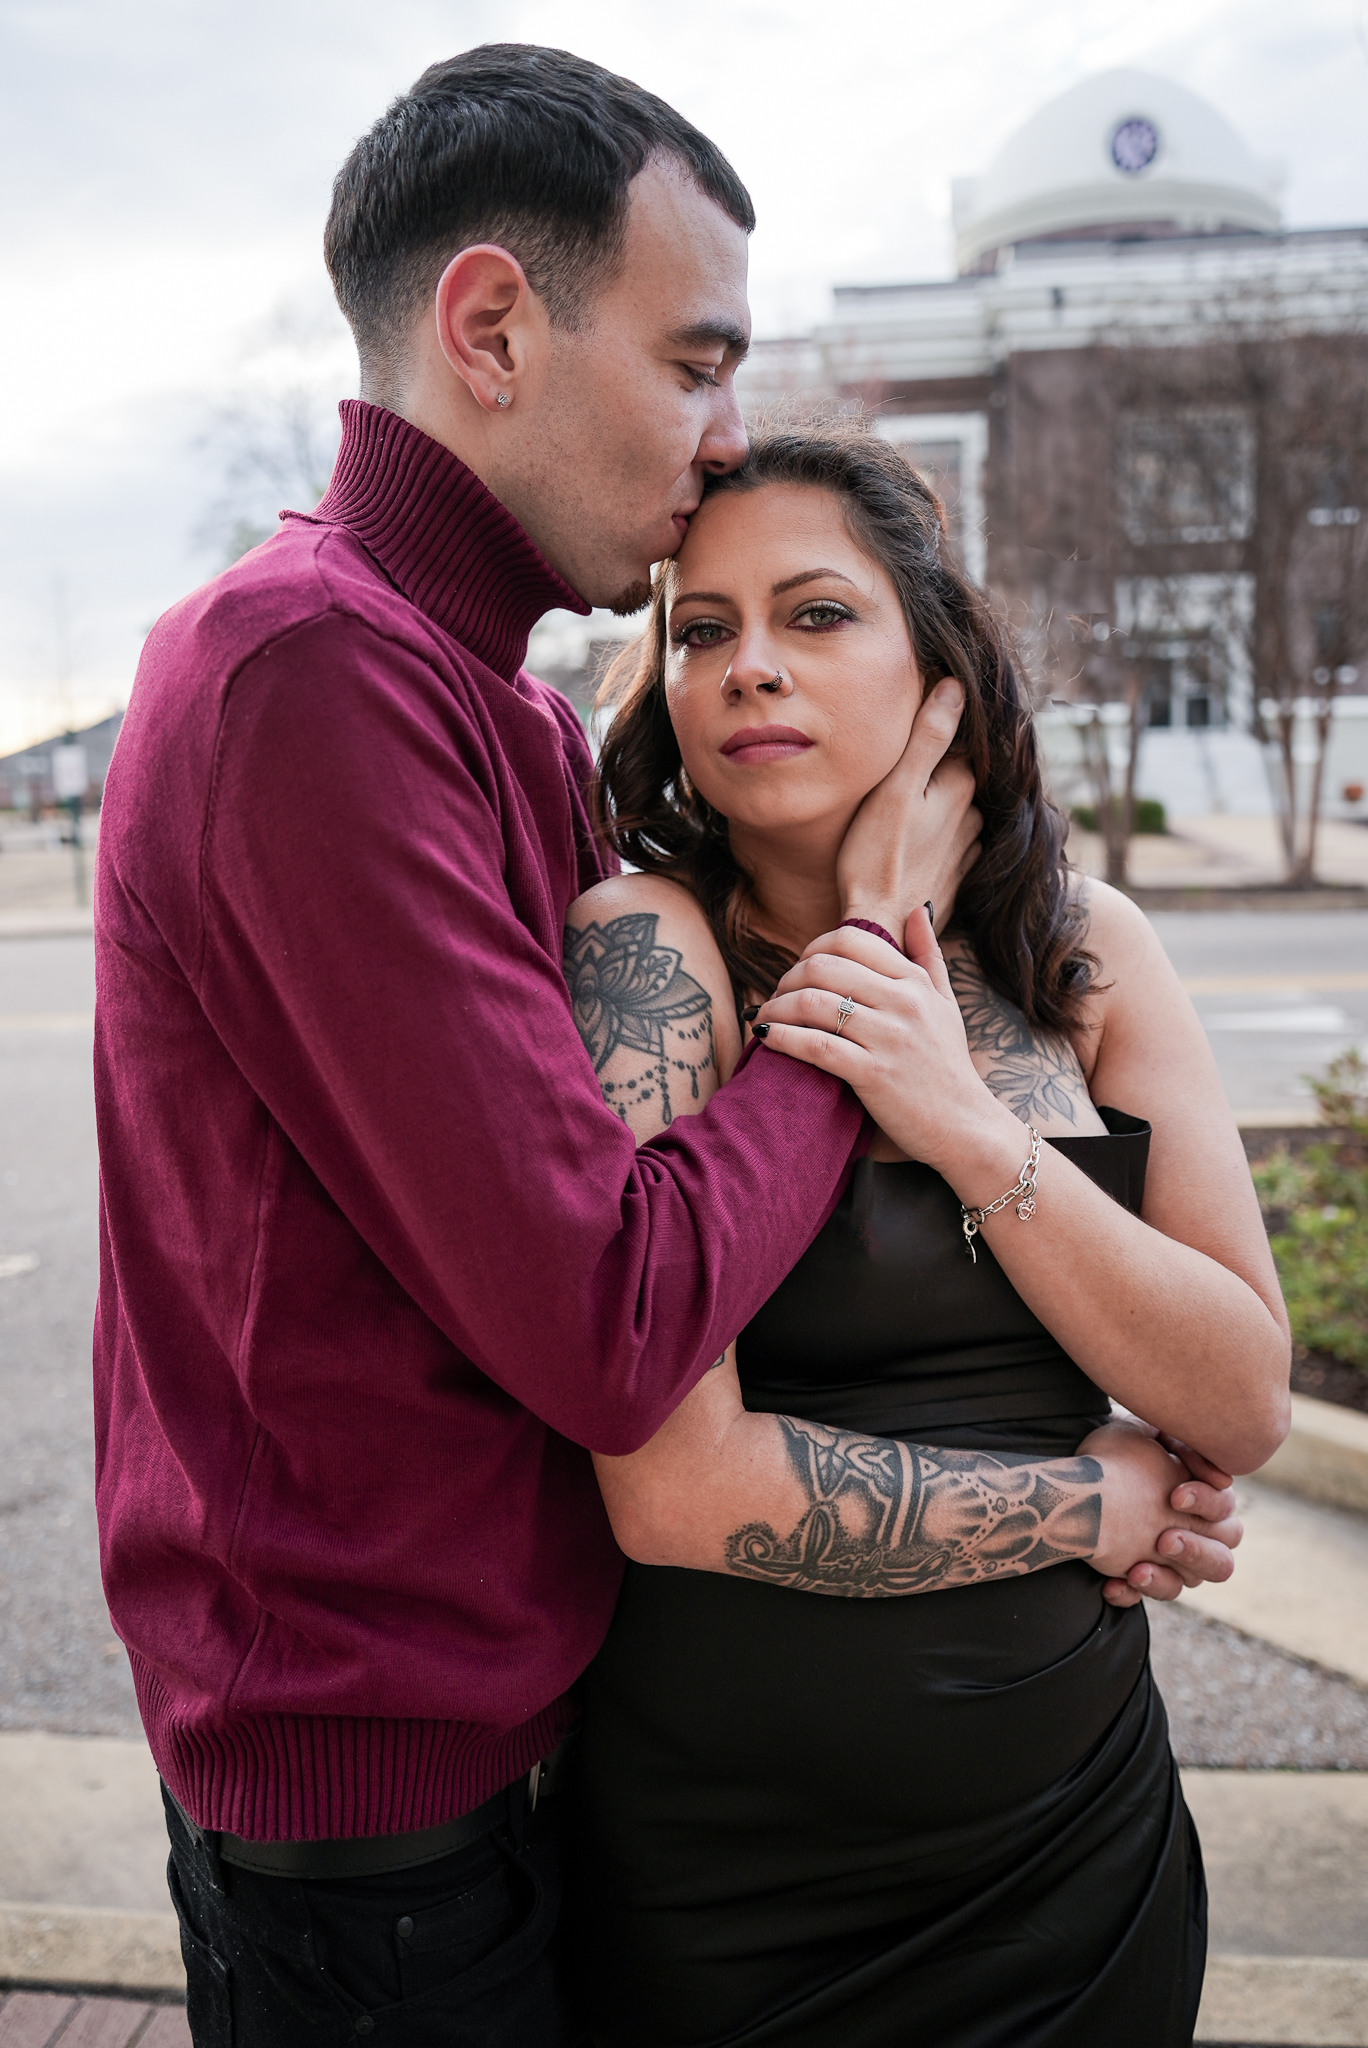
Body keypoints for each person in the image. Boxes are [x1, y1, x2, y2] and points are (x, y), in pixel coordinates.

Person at [91, 46, 1244, 2048]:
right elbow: (617, 1327)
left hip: (589, 1771)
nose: (722, 438)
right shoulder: (309, 673)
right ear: (490, 329)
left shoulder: (497, 711)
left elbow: (1226, 1369)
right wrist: (868, 977)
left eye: (819, 615)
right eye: (697, 363)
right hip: (384, 1816)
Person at [561, 422, 1291, 2047]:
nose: (750, 666)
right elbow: (674, 1494)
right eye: (703, 629)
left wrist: (961, 1118)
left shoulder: (1083, 956)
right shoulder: (645, 958)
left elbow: (1241, 1399)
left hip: (1071, 1860)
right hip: (730, 1884)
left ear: (939, 669)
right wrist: (1093, 1505)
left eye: (817, 613)